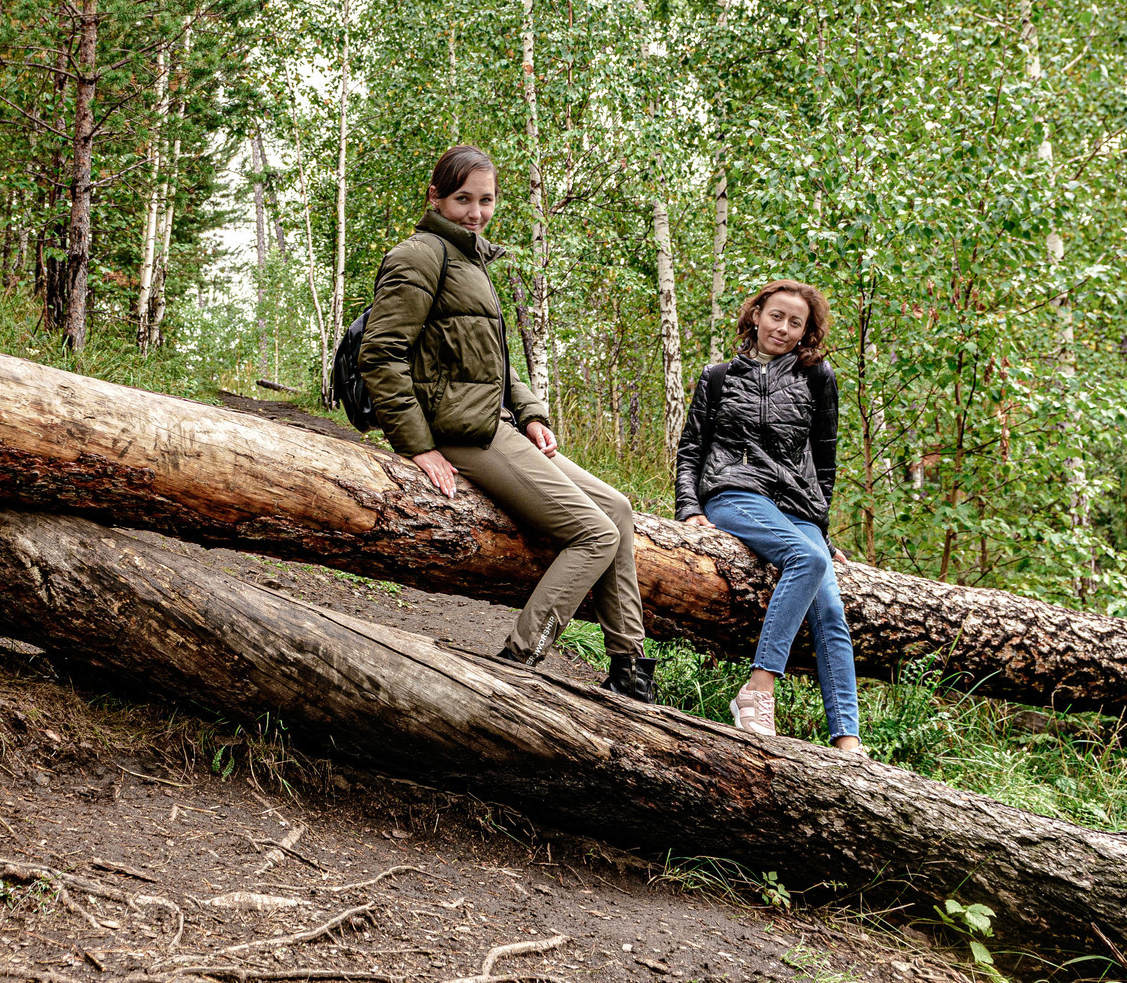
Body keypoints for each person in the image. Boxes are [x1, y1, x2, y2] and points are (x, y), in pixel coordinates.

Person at [357, 145, 657, 703]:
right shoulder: (419, 256)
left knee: (617, 507)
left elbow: (492, 361)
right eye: (462, 199)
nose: (475, 211)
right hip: (459, 431)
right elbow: (381, 355)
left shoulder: (471, 261)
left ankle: (629, 665)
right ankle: (519, 662)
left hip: (494, 422)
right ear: (436, 197)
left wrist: (531, 412)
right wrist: (418, 446)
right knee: (594, 534)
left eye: (486, 200)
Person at [674, 279, 863, 750]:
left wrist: (820, 528)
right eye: (776, 316)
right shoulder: (718, 376)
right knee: (808, 560)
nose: (782, 328)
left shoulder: (817, 378)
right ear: (756, 314)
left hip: (797, 506)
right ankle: (759, 689)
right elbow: (691, 449)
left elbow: (824, 460)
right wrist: (689, 509)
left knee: (831, 608)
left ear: (805, 332)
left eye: (795, 322)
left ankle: (848, 740)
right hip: (734, 493)